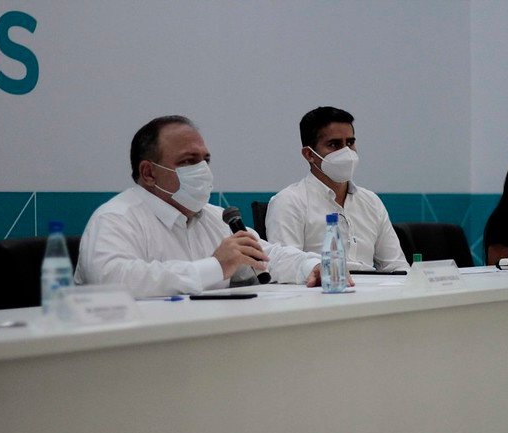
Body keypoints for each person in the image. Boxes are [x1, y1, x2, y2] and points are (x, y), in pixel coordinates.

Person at [75, 115, 329, 297]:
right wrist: (215, 267)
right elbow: (111, 281)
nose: (202, 170)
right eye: (189, 161)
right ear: (149, 173)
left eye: (205, 160)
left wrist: (311, 266)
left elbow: (268, 256)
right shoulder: (115, 218)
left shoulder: (216, 218)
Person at [265, 106, 409, 272]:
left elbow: (396, 265)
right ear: (309, 155)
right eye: (334, 144)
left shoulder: (371, 201)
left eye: (350, 143)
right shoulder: (289, 202)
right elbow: (284, 266)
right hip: (322, 286)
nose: (346, 152)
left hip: (372, 287)